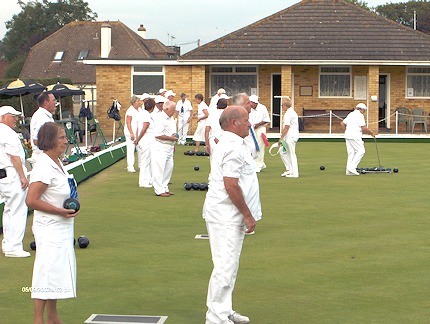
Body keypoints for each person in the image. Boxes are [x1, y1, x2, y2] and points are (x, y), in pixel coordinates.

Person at [203, 105, 262, 324]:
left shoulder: (233, 143)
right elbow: (231, 185)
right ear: (234, 123)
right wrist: (248, 215)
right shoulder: (233, 147)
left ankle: (224, 310)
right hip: (226, 214)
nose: (250, 123)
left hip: (228, 214)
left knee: (230, 266)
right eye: (246, 120)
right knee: (225, 266)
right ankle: (216, 318)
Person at [26, 122, 79, 324]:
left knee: (54, 273)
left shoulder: (57, 161)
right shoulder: (43, 166)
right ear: (50, 140)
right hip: (50, 229)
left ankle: (53, 318)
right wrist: (60, 211)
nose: (66, 141)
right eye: (62, 137)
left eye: (65, 137)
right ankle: (38, 321)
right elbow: (31, 200)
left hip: (61, 227)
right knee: (45, 274)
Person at [0, 106, 30, 258]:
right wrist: (23, 177)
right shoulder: (7, 132)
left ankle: (8, 244)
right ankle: (14, 247)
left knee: (10, 209)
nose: (16, 119)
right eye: (13, 116)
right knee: (18, 210)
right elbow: (14, 157)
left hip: (4, 176)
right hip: (12, 174)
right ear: (4, 117)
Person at [151, 100, 178, 197]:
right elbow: (158, 135)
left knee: (168, 168)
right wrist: (172, 138)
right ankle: (159, 190)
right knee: (159, 169)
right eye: (173, 109)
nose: (174, 111)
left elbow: (171, 132)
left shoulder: (171, 119)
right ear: (166, 109)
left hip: (169, 147)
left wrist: (174, 140)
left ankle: (165, 187)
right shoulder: (160, 118)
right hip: (160, 146)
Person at [341, 103, 375, 176]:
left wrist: (347, 131)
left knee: (351, 153)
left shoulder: (351, 114)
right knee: (361, 151)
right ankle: (352, 168)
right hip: (355, 136)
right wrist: (371, 133)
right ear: (362, 109)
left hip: (347, 135)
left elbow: (342, 123)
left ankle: (348, 171)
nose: (364, 112)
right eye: (364, 111)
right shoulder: (360, 115)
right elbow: (364, 128)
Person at [30, 92, 57, 162]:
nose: (56, 103)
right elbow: (36, 140)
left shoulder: (45, 116)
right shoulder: (41, 117)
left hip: (46, 157)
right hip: (42, 158)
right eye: (54, 100)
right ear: (46, 102)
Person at [135, 98, 156, 188]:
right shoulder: (146, 115)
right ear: (153, 107)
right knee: (145, 161)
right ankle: (143, 182)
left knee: (149, 161)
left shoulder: (145, 114)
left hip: (147, 140)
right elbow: (144, 128)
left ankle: (148, 179)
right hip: (146, 141)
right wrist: (137, 139)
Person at [278, 97, 300, 178]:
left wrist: (281, 138)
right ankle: (289, 169)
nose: (281, 107)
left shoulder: (288, 113)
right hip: (289, 137)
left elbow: (286, 127)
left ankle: (295, 173)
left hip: (291, 137)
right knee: (282, 152)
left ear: (284, 105)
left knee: (291, 154)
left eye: (281, 105)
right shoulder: (291, 112)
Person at [249, 95, 270, 172]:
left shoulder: (262, 108)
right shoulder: (248, 108)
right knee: (252, 147)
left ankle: (259, 165)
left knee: (260, 147)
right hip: (251, 130)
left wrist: (258, 124)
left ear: (256, 103)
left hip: (260, 129)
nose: (250, 104)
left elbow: (267, 120)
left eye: (252, 103)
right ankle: (258, 163)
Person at [124, 95, 141, 173]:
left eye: (139, 101)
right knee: (131, 150)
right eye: (137, 101)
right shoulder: (130, 111)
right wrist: (131, 133)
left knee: (140, 149)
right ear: (133, 102)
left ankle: (141, 165)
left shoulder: (140, 110)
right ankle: (130, 166)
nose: (139, 103)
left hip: (139, 134)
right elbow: (128, 122)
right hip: (131, 133)